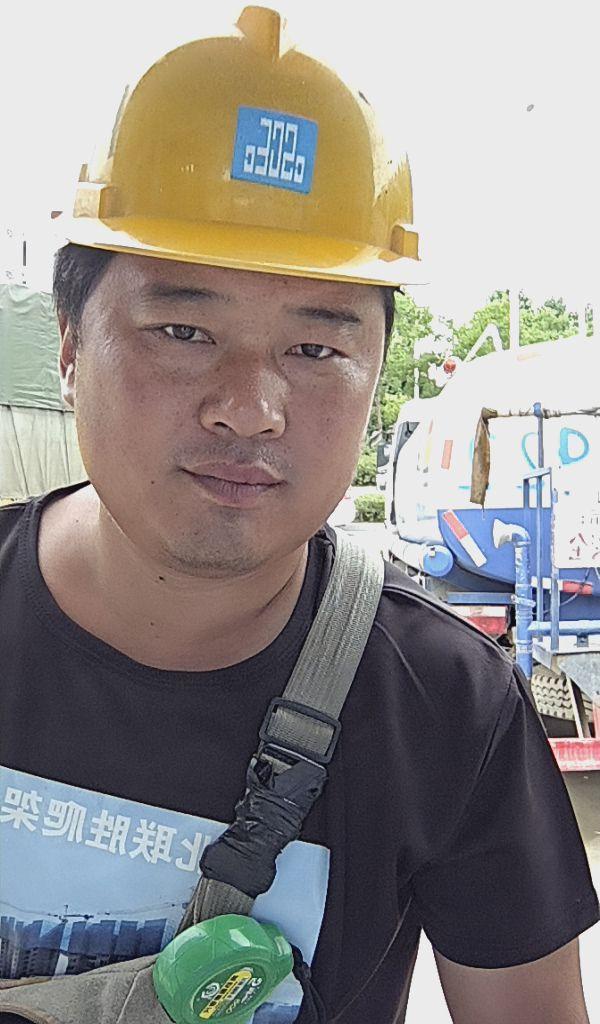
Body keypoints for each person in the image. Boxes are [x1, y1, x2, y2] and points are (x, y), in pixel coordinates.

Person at [0, 6, 598, 1023]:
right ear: (68, 345)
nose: (250, 407)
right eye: (183, 329)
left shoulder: (447, 704)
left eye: (315, 349)